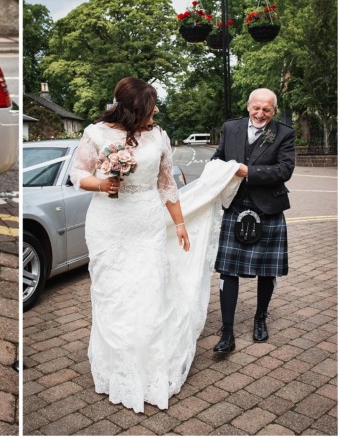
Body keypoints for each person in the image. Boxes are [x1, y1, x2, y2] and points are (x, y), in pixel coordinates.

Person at [69, 77, 242, 413]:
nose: (157, 110)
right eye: (150, 106)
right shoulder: (96, 134)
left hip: (147, 225)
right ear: (132, 110)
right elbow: (78, 173)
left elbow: (166, 183)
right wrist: (101, 183)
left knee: (149, 296)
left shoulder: (159, 135)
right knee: (113, 299)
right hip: (108, 225)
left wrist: (179, 223)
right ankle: (117, 372)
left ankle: (149, 372)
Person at [210, 89, 295, 354]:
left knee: (267, 270)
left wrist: (248, 171)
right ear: (248, 106)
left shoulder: (283, 133)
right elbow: (218, 159)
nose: (260, 114)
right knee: (228, 269)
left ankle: (260, 318)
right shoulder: (231, 128)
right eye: (256, 108)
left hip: (268, 207)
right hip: (236, 206)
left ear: (274, 111)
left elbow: (285, 170)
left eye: (266, 110)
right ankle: (227, 330)